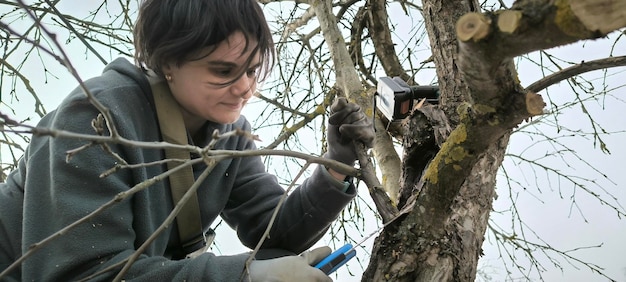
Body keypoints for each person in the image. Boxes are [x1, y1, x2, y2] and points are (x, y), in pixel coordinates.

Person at [0, 0, 375, 281]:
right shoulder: (95, 120)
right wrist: (243, 276)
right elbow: (84, 275)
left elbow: (274, 231)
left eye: (252, 69)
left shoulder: (230, 136)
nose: (244, 87)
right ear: (168, 62)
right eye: (223, 70)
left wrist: (335, 168)